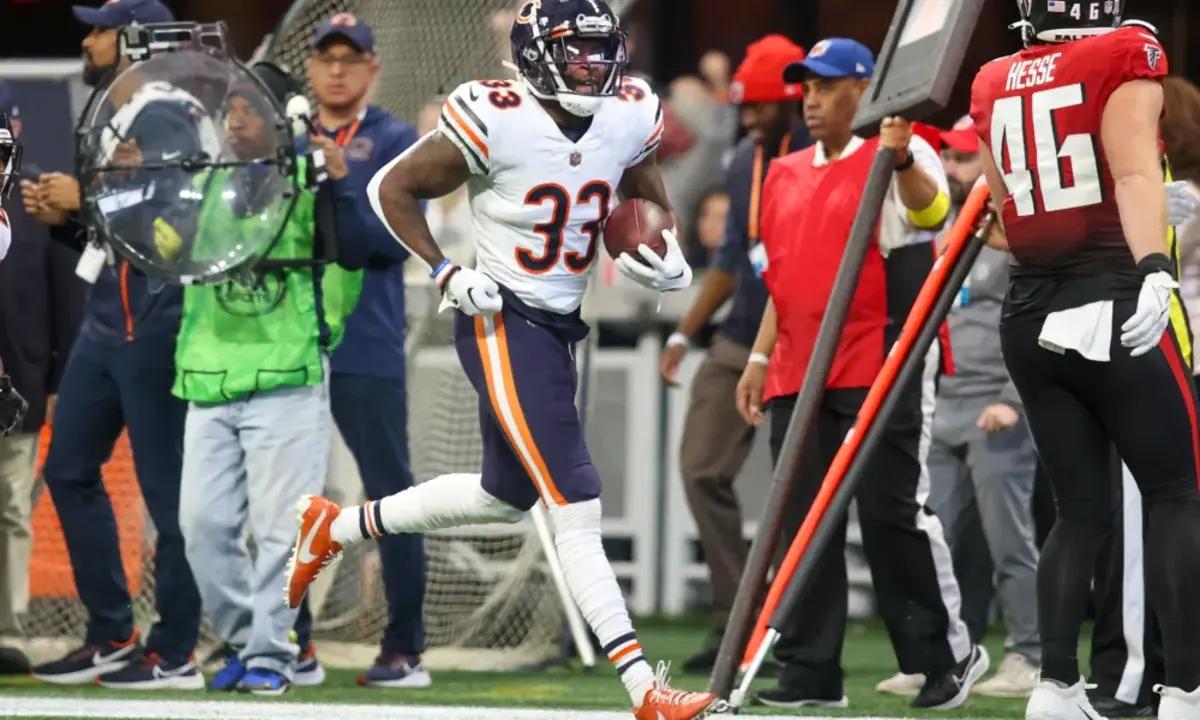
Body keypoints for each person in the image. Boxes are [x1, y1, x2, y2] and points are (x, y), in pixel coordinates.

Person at [285, 2, 723, 718]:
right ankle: (646, 689)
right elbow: (388, 188)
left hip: (557, 327)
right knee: (575, 499)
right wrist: (446, 271)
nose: (591, 65)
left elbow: (639, 192)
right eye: (573, 52)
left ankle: (334, 528)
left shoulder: (628, 111)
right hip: (500, 321)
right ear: (532, 54)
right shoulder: (496, 114)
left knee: (504, 496)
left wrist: (661, 248)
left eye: (596, 50)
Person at [735, 38, 987, 710]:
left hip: (881, 353)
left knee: (889, 510)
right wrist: (760, 357)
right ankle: (809, 674)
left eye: (826, 86)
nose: (811, 100)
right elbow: (779, 279)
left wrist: (900, 156)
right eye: (806, 89)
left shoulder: (899, 151)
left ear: (865, 89)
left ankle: (945, 656)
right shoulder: (784, 171)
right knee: (801, 521)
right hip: (799, 362)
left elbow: (934, 215)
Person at [969, 3, 1200, 718]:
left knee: (1078, 509)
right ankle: (1186, 691)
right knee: (1177, 494)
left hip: (1030, 312)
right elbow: (1134, 174)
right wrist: (1156, 264)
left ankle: (1056, 687)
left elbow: (1004, 214)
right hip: (1114, 298)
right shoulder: (1124, 52)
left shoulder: (994, 76)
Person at [20, 0, 204, 689]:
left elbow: (177, 215)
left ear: (133, 38)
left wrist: (85, 200)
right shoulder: (114, 114)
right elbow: (115, 229)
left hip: (158, 319)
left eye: (99, 28)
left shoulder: (165, 111)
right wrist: (67, 217)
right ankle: (111, 632)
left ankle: (177, 647)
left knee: (168, 494)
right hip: (110, 319)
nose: (87, 38)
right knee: (67, 470)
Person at [169, 68, 357, 695]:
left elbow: (350, 257)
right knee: (202, 525)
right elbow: (157, 248)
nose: (237, 120)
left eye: (250, 109)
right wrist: (142, 194)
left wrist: (340, 186)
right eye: (231, 110)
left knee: (283, 532)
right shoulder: (200, 186)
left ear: (281, 118)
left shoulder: (315, 181)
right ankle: (251, 637)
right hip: (208, 374)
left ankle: (272, 656)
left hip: (287, 372)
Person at [659, 33, 810, 675]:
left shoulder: (817, 153)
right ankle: (735, 621)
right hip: (740, 333)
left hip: (805, 339)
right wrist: (684, 332)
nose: (748, 120)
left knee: (801, 488)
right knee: (699, 468)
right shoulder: (745, 154)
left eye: (760, 108)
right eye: (743, 108)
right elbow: (728, 260)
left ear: (793, 101)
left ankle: (794, 633)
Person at [299, 13, 428, 688]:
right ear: (311, 66)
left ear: (374, 67)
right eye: (327, 57)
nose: (338, 69)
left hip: (366, 340)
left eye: (351, 57)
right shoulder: (286, 135)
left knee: (390, 495)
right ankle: (288, 642)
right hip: (288, 339)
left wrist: (343, 178)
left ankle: (405, 648)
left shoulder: (397, 140)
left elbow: (390, 242)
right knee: (291, 497)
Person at [919, 116, 1040, 698]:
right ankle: (945, 656)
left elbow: (1034, 322)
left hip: (997, 407)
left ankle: (1030, 656)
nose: (951, 168)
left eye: (965, 159)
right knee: (935, 537)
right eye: (949, 157)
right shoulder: (940, 231)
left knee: (1008, 541)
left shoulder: (1015, 237)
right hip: (943, 406)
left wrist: (1012, 399)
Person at [0, 85, 86, 676]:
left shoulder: (38, 202)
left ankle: (5, 629)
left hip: (21, 383)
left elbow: (66, 297)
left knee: (10, 508)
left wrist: (57, 378)